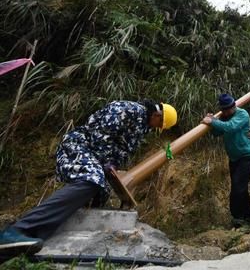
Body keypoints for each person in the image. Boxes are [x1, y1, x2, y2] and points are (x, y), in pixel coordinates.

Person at [0, 100, 177, 256]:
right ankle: (19, 229)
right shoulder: (128, 109)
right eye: (157, 125)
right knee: (92, 180)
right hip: (79, 146)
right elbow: (99, 133)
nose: (155, 128)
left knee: (100, 193)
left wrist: (113, 167)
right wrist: (107, 161)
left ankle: (33, 237)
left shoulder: (140, 126)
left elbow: (120, 151)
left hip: (95, 156)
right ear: (157, 115)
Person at [202, 94, 250, 228]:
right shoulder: (225, 117)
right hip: (234, 157)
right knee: (240, 188)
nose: (227, 112)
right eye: (225, 110)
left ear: (234, 106)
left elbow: (231, 127)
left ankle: (238, 218)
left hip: (246, 155)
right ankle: (249, 217)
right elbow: (217, 133)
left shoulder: (242, 114)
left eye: (229, 109)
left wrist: (213, 121)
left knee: (238, 187)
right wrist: (211, 123)